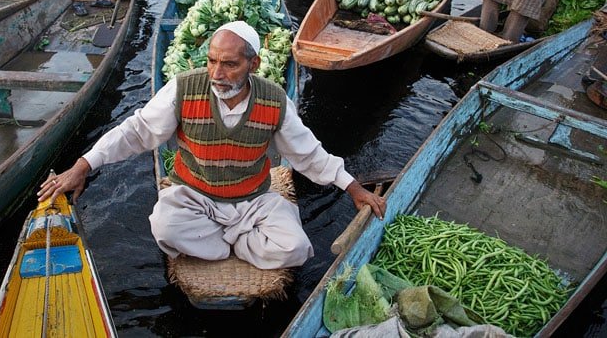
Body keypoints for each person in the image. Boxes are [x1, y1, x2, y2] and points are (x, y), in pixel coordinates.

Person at [38, 21, 387, 270]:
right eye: (212, 61)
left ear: (254, 64)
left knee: (295, 248)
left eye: (230, 64)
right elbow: (137, 131)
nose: (217, 73)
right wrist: (83, 166)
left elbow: (307, 154)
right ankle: (236, 242)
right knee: (165, 226)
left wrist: (352, 187)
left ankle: (225, 240)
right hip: (194, 196)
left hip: (252, 200)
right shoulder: (184, 89)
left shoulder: (274, 101)